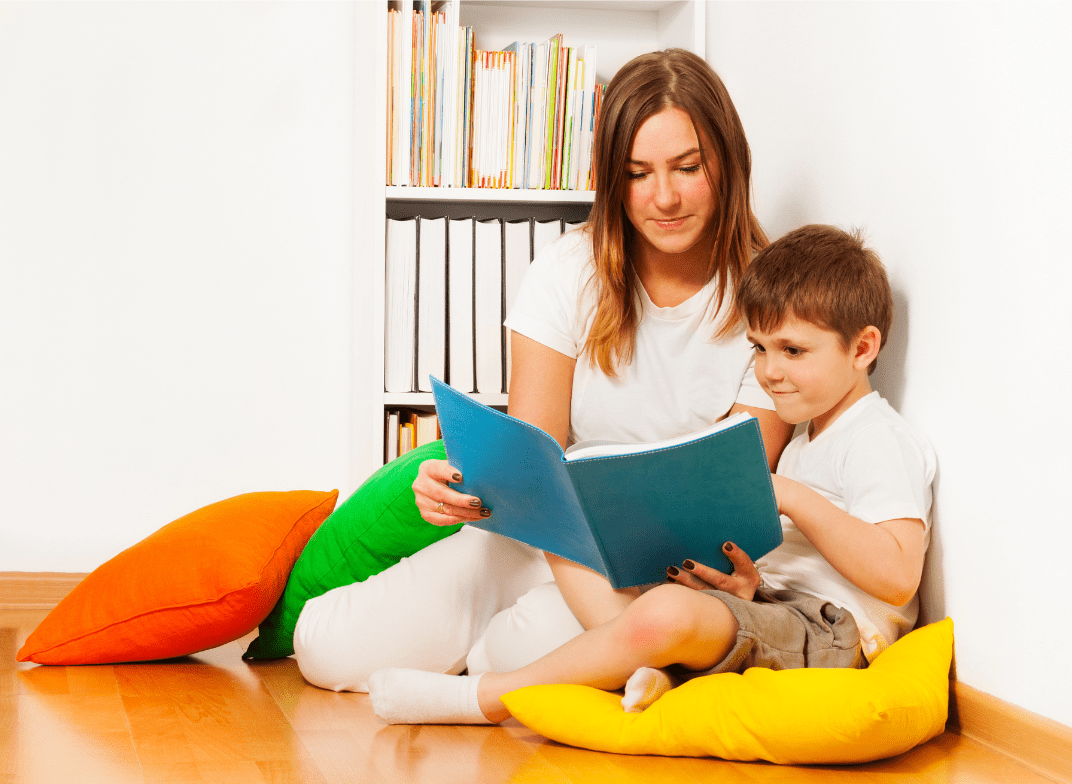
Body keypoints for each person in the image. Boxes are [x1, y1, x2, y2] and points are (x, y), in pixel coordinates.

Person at [292, 49, 793, 693]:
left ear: (727, 164)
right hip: (546, 545)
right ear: (613, 180)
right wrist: (459, 485)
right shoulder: (568, 270)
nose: (663, 197)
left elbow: (734, 485)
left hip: (664, 576)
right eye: (638, 173)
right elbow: (535, 453)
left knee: (515, 652)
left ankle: (506, 669)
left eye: (687, 168)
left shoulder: (775, 297)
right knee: (324, 647)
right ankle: (530, 662)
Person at [367, 223, 937, 725]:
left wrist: (787, 496)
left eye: (792, 351)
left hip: (830, 633)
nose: (768, 372)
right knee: (579, 545)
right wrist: (749, 587)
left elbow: (896, 574)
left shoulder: (877, 438)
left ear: (863, 348)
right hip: (777, 610)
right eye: (759, 350)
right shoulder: (810, 432)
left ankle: (486, 700)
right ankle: (661, 673)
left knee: (664, 612)